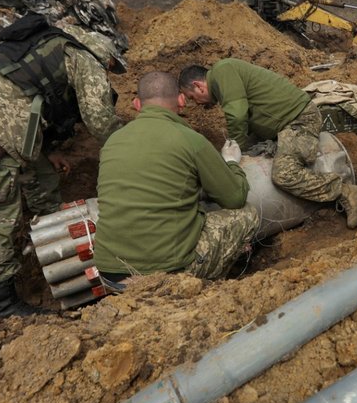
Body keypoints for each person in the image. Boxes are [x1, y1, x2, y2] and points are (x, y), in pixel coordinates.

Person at [0, 16, 124, 317]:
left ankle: (52, 242)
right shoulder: (85, 58)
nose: (110, 72)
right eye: (112, 67)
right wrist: (133, 144)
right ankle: (3, 304)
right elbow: (100, 120)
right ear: (105, 55)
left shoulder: (50, 45)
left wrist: (47, 150)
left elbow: (30, 90)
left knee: (41, 178)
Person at [93, 71, 260, 282]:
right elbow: (235, 198)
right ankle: (212, 287)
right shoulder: (190, 140)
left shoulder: (112, 141)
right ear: (181, 101)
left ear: (137, 104)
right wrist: (231, 163)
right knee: (247, 214)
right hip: (166, 272)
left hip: (109, 273)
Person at [178, 58, 357, 228]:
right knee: (249, 150)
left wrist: (236, 150)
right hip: (283, 124)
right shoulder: (224, 77)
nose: (198, 103)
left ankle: (344, 191)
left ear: (199, 86)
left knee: (284, 174)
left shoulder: (222, 72)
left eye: (193, 97)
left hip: (298, 119)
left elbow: (237, 115)